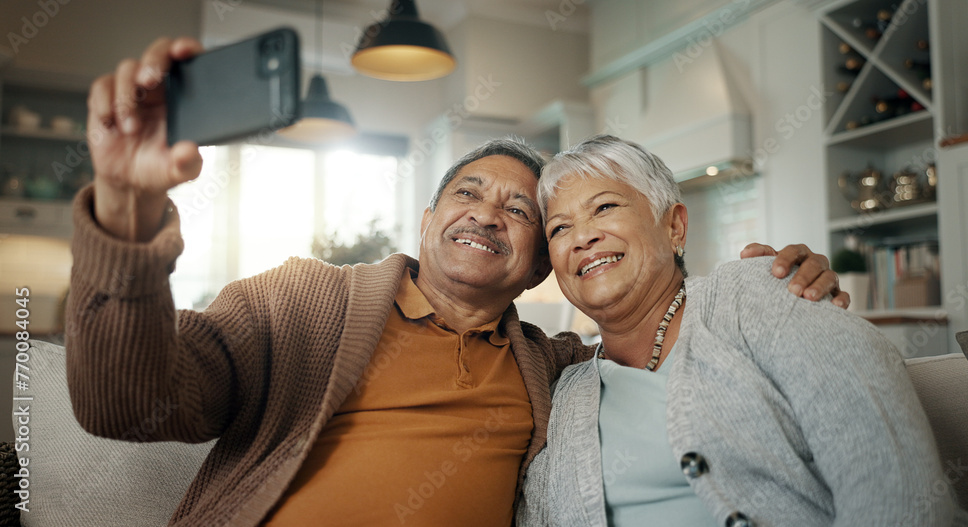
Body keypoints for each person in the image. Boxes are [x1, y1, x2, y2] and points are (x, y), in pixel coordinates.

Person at [66, 38, 844, 526]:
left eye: (520, 210)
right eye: (468, 193)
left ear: (543, 263)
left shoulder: (559, 370)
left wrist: (775, 298)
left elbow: (667, 342)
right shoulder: (298, 303)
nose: (487, 214)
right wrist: (129, 208)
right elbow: (125, 403)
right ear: (429, 217)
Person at [517, 135, 968, 527]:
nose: (582, 236)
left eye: (604, 207)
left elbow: (893, 483)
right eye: (560, 229)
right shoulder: (562, 390)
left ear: (674, 226)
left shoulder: (760, 292)